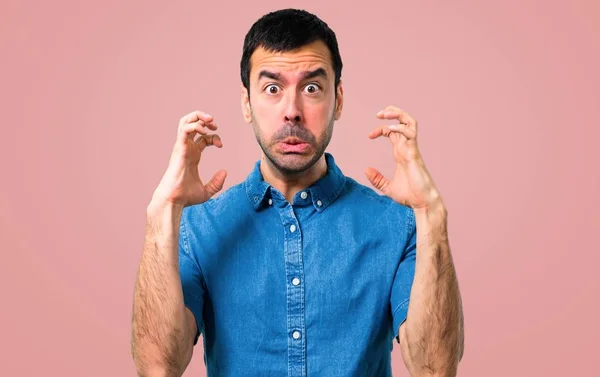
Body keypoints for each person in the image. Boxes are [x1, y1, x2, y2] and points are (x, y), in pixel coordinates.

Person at [131, 8, 464, 377]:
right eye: (273, 88)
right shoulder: (197, 228)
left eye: (311, 88)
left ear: (337, 100)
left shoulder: (397, 224)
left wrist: (430, 213)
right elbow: (158, 366)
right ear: (246, 104)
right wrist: (163, 211)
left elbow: (435, 368)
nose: (292, 111)